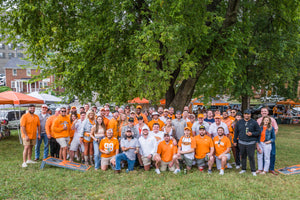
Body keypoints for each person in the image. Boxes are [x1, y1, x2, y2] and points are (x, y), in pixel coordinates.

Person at [234, 109, 260, 176]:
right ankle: (243, 169)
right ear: (243, 115)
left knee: (251, 156)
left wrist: (252, 133)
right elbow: (236, 132)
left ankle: (253, 170)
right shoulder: (239, 122)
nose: (246, 115)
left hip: (251, 142)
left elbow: (258, 132)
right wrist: (234, 141)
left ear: (250, 114)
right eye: (245, 114)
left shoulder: (254, 122)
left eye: (248, 114)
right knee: (243, 156)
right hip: (241, 142)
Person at [256, 107, 279, 175]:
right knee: (260, 155)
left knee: (270, 155)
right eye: (262, 111)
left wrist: (270, 140)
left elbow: (276, 129)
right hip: (260, 142)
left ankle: (269, 169)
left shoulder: (272, 121)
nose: (264, 112)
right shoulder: (258, 121)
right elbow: (257, 133)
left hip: (268, 142)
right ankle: (260, 169)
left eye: (265, 111)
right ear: (261, 112)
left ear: (268, 112)